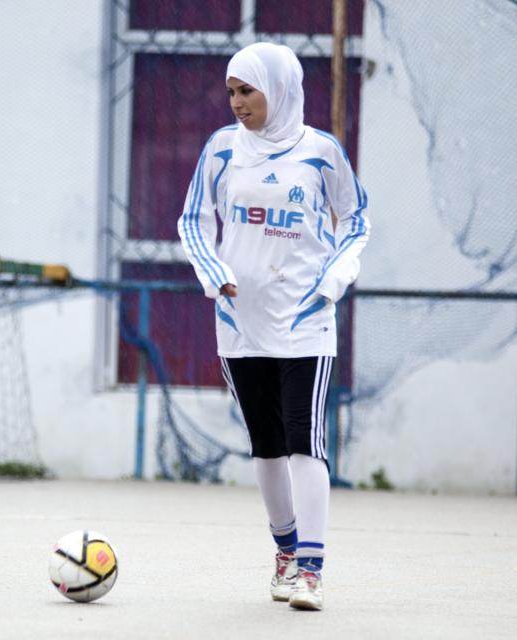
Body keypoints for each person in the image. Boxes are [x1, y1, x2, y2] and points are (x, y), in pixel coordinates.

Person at [177, 42, 369, 611]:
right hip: (239, 322)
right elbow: (193, 219)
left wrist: (332, 281)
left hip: (306, 321)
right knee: (265, 444)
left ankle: (310, 569)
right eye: (232, 92)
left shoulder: (322, 152)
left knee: (304, 440)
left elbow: (356, 220)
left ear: (280, 89)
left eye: (248, 91)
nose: (237, 103)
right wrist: (213, 272)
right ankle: (284, 553)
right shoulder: (220, 150)